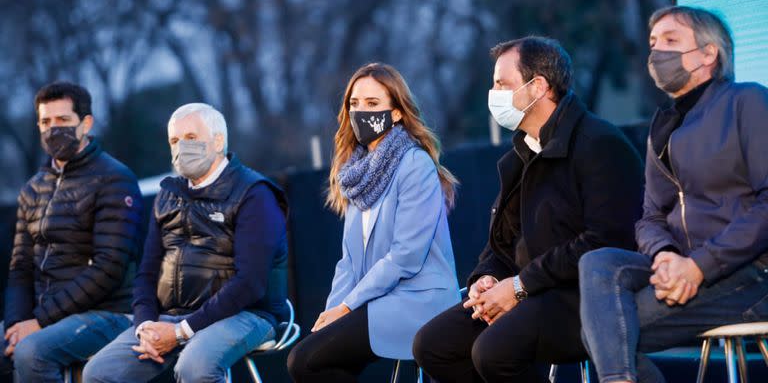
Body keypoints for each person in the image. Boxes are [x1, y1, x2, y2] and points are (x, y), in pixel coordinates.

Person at [413, 37, 645, 383]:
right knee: (432, 345)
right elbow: (503, 242)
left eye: (502, 84)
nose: (494, 94)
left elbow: (604, 241)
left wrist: (520, 286)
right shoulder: (519, 157)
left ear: (538, 86)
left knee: (493, 351)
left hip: (585, 298)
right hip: (529, 292)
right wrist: (485, 278)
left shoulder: (599, 143)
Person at [579, 6, 768, 383]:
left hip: (750, 271)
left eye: (670, 40)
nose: (656, 52)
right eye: (652, 43)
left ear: (708, 53)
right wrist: (665, 255)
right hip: (682, 268)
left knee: (604, 332)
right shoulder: (663, 124)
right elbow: (649, 216)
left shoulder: (747, 101)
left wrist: (700, 265)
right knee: (598, 264)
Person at [83, 103, 289, 383]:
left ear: (218, 141)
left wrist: (182, 331)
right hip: (170, 317)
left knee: (194, 367)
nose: (181, 146)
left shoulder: (255, 194)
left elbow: (250, 283)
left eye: (190, 138)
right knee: (99, 372)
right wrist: (145, 325)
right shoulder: (166, 196)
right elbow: (146, 273)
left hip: (246, 314)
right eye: (174, 140)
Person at [287, 63, 460, 382]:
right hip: (377, 301)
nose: (360, 113)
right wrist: (332, 312)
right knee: (310, 358)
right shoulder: (357, 173)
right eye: (354, 104)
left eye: (372, 104)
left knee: (305, 360)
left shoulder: (414, 164)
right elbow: (349, 263)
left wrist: (347, 308)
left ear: (396, 112)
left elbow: (406, 256)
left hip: (419, 300)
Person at [1, 81, 143, 382]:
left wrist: (38, 321)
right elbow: (20, 268)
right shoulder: (33, 188)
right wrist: (17, 323)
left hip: (108, 313)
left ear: (86, 123)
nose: (53, 129)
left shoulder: (115, 180)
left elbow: (109, 269)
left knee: (31, 351)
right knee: (16, 342)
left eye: (63, 120)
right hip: (45, 315)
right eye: (45, 122)